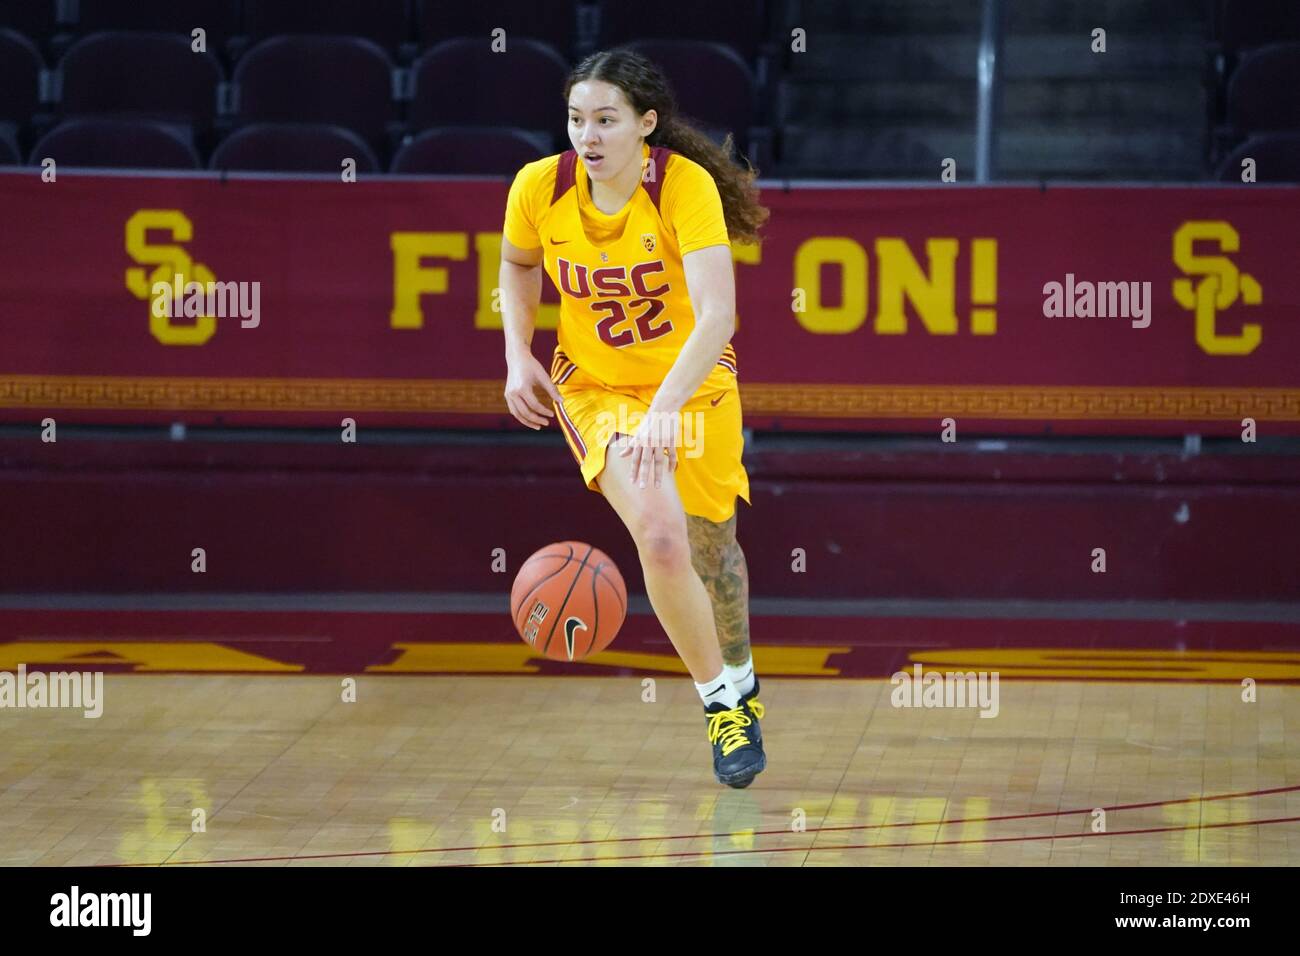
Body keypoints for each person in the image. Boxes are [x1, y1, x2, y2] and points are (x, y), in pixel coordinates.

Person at [499, 49, 770, 788]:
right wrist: (518, 354)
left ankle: (740, 673)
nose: (588, 135)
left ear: (645, 125)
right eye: (577, 119)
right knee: (659, 531)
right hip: (594, 390)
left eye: (607, 120)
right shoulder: (540, 187)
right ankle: (721, 707)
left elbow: (718, 316)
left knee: (715, 553)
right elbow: (519, 266)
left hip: (692, 386)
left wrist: (665, 409)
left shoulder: (682, 188)